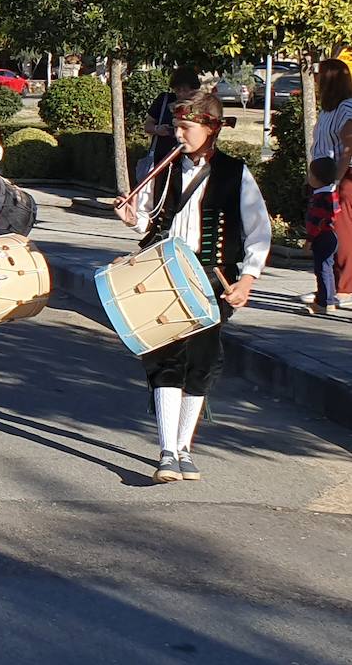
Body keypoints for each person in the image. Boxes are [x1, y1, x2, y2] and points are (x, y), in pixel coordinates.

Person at [113, 92, 271, 483]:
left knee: (201, 363)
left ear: (211, 128)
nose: (178, 134)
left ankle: (184, 448)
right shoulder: (161, 168)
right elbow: (148, 221)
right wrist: (132, 219)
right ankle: (167, 450)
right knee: (166, 358)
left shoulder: (236, 173)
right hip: (163, 275)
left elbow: (259, 232)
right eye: (177, 126)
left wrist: (247, 280)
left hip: (210, 279)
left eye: (186, 127)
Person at [308, 58, 352, 306]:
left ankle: (345, 286)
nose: (315, 78)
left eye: (319, 73)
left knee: (342, 230)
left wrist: (337, 179)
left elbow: (348, 146)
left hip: (342, 176)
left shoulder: (347, 107)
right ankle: (329, 286)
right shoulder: (328, 108)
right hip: (324, 176)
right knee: (327, 230)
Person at [143, 67, 200, 172]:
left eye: (185, 90)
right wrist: (157, 129)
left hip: (188, 160)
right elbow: (147, 126)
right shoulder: (164, 100)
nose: (181, 94)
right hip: (161, 157)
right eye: (178, 90)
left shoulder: (199, 105)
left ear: (193, 89)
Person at [305, 156, 340, 316]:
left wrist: (309, 240)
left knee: (322, 269)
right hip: (332, 235)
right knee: (328, 267)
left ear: (317, 178)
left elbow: (316, 222)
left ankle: (323, 302)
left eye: (311, 175)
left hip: (322, 237)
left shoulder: (319, 197)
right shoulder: (332, 194)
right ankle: (330, 300)